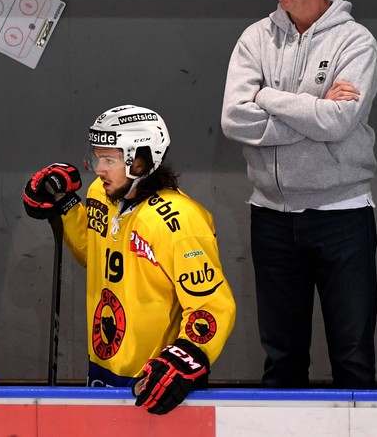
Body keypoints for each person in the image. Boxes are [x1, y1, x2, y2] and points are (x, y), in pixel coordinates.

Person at [221, 0, 377, 389]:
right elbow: (234, 118)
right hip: (270, 217)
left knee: (352, 358)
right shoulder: (256, 38)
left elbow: (339, 122)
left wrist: (267, 97)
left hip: (342, 215)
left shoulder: (356, 41)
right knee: (282, 358)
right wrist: (312, 106)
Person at [23, 105, 236, 415]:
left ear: (140, 161)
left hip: (156, 380)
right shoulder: (101, 194)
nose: (99, 169)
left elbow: (212, 306)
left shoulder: (180, 222)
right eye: (98, 157)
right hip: (103, 365)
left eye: (110, 159)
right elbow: (94, 255)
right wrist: (66, 205)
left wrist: (185, 357)